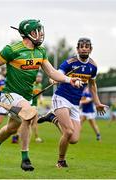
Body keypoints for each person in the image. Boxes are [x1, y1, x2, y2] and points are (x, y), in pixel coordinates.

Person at [0, 19, 81, 171]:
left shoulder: (41, 52)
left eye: (41, 31)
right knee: (29, 115)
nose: (40, 34)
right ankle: (25, 159)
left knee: (11, 128)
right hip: (10, 95)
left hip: (26, 97)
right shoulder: (12, 50)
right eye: (36, 31)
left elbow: (52, 72)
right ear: (28, 34)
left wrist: (68, 79)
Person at [38, 37, 108, 168]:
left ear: (91, 49)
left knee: (74, 139)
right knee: (69, 132)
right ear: (77, 49)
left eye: (87, 46)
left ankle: (52, 117)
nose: (84, 49)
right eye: (81, 46)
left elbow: (92, 85)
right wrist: (54, 79)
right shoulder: (70, 62)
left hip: (75, 103)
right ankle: (61, 161)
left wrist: (97, 103)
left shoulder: (92, 66)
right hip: (61, 97)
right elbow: (58, 73)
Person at [12, 72, 43, 143]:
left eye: (40, 77)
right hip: (29, 104)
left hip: (35, 105)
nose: (39, 78)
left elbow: (40, 94)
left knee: (33, 122)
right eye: (38, 77)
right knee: (29, 122)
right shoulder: (31, 84)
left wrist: (41, 99)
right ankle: (35, 137)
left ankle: (17, 136)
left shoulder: (40, 85)